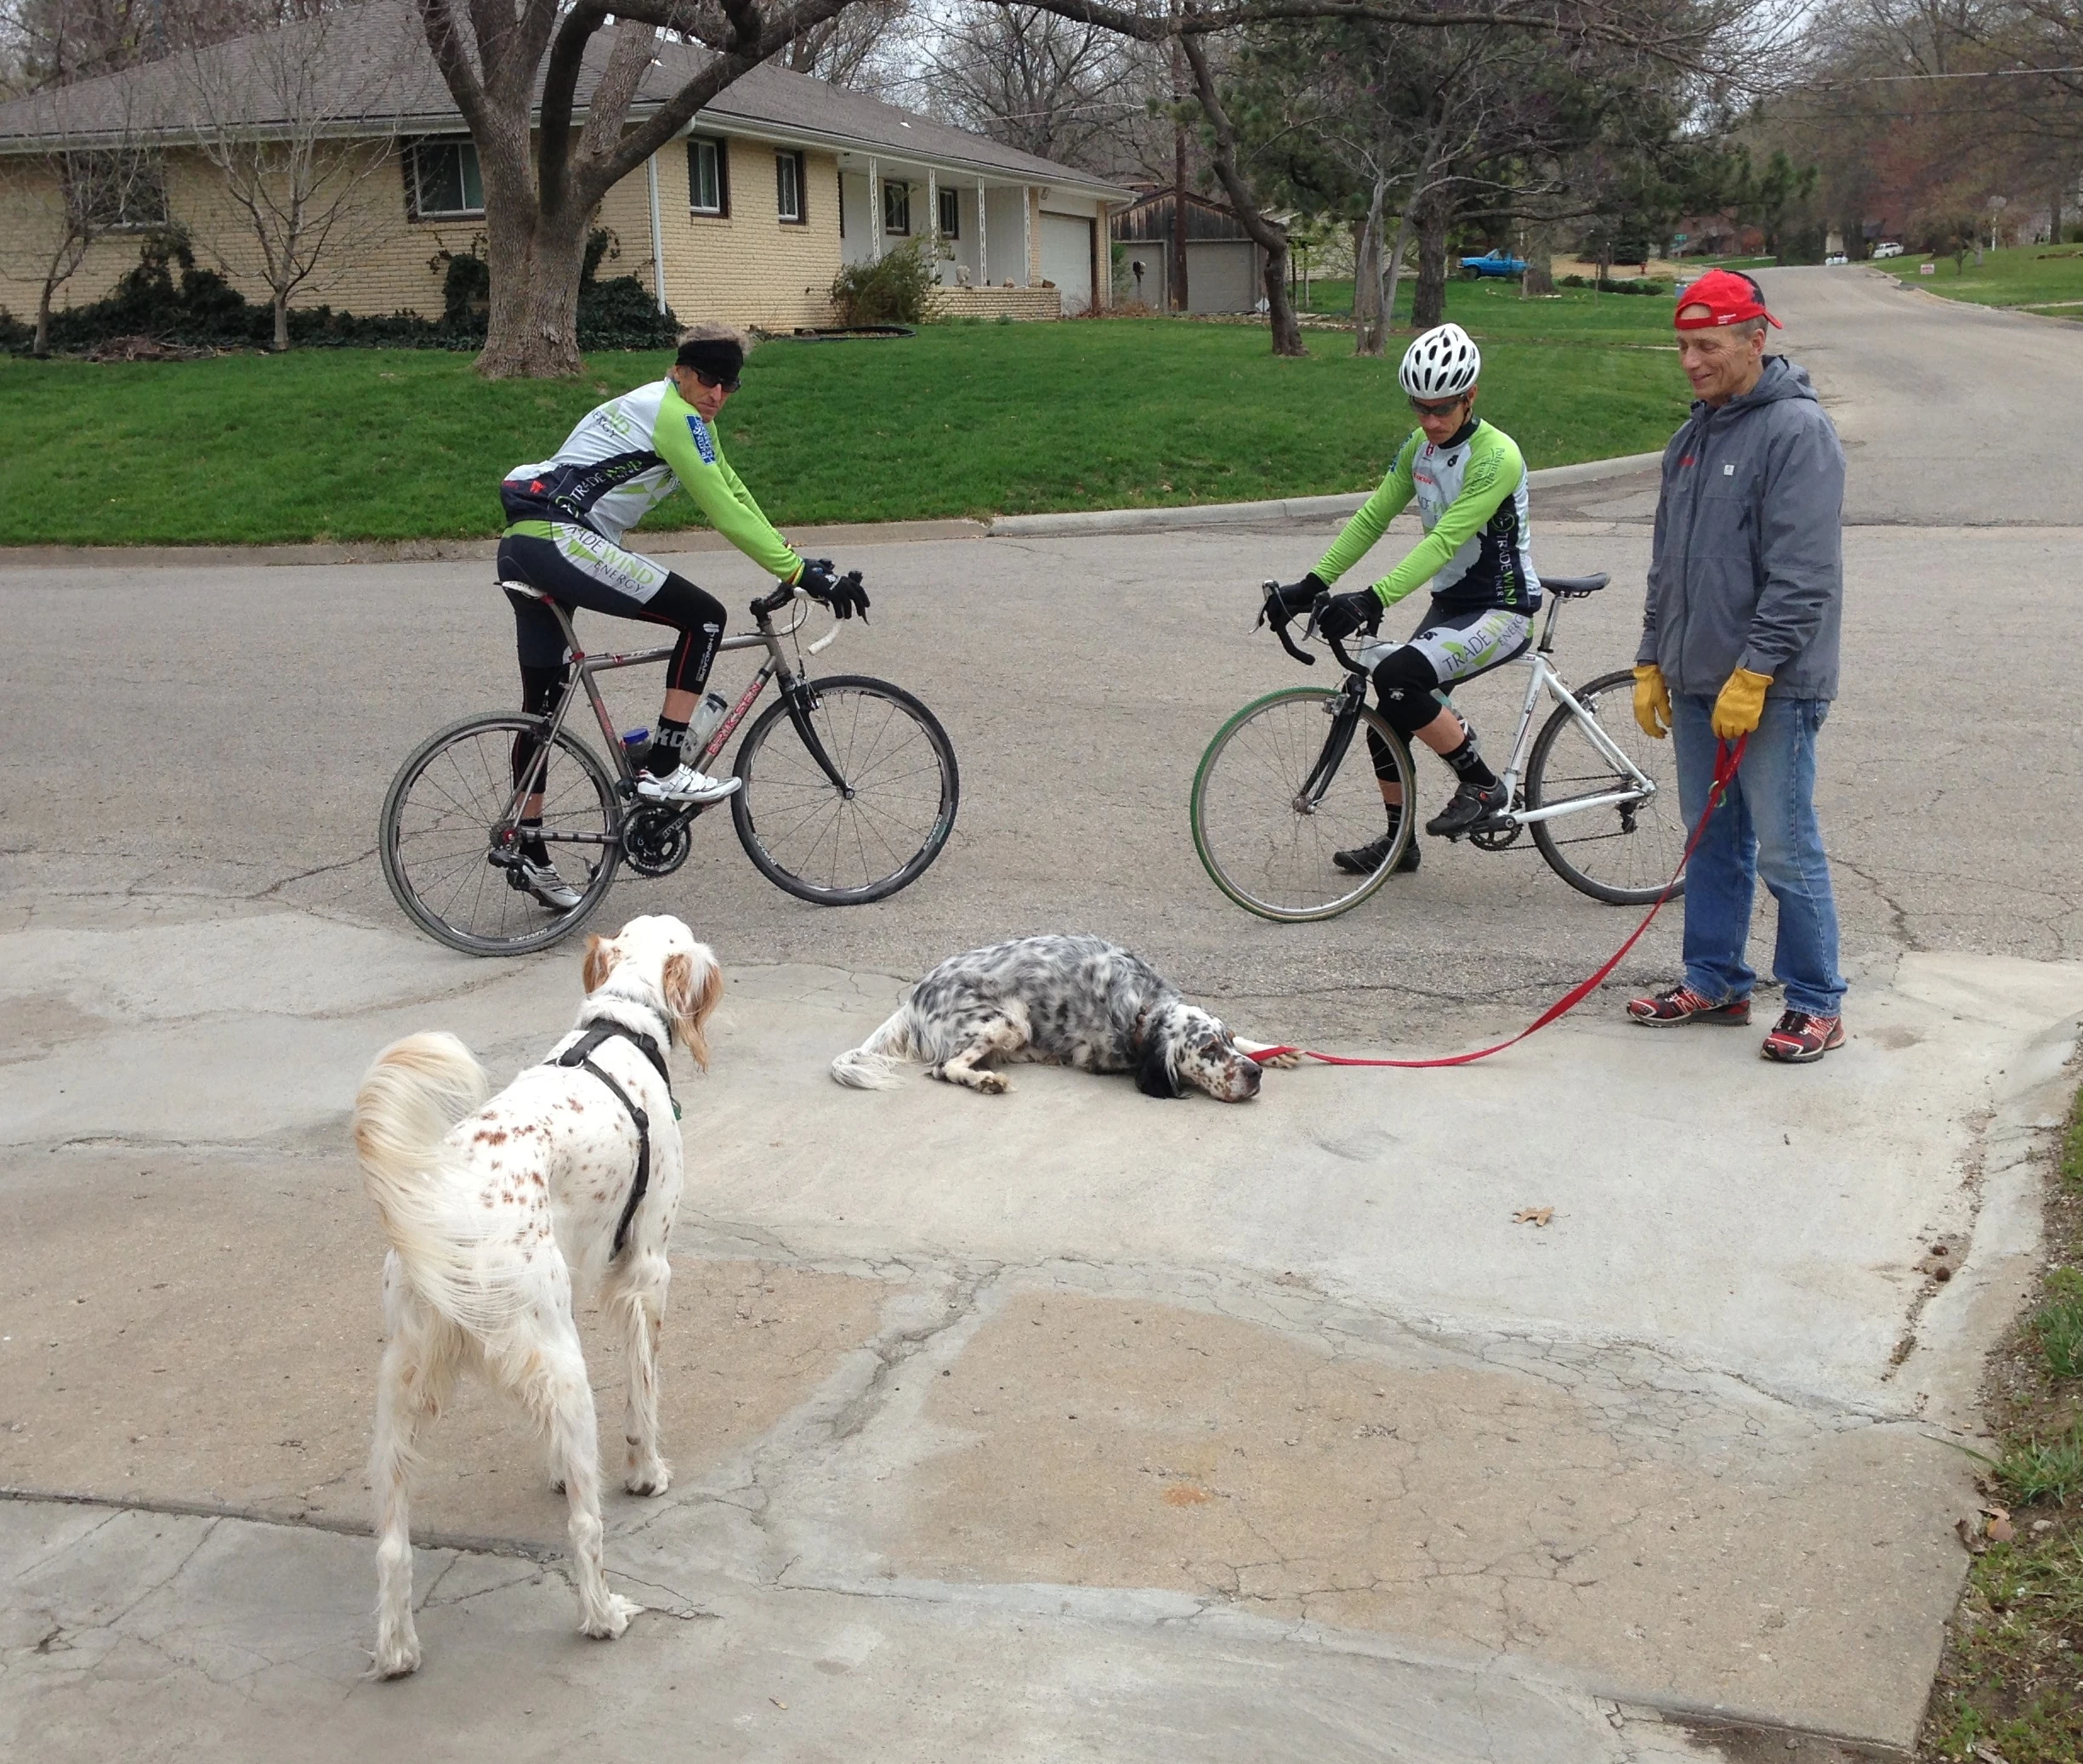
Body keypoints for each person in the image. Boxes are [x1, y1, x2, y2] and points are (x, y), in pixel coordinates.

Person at [495, 324, 865, 909]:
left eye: (730, 386)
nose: (718, 394)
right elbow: (722, 510)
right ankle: (663, 766)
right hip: (561, 541)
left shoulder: (679, 414)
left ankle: (529, 850)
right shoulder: (674, 416)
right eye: (709, 380)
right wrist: (799, 575)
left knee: (540, 707)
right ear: (682, 369)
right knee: (705, 618)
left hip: (526, 542)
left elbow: (735, 489)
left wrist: (796, 560)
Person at [1626, 269, 1847, 1064]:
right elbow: (1666, 565)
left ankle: (1818, 999)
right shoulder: (1692, 437)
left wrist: (1756, 672)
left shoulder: (1797, 433)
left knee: (1786, 845)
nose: (1690, 361)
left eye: (1708, 345)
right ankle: (1715, 978)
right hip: (1694, 679)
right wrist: (1651, 656)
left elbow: (1803, 574)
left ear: (1757, 340)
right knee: (1710, 835)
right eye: (1683, 345)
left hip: (1774, 687)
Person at [1269, 321, 1541, 875]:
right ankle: (1400, 845)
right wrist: (1311, 584)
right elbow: (1374, 515)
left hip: (1500, 608)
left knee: (1399, 678)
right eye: (1420, 408)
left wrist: (1372, 598)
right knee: (1388, 709)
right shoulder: (1419, 446)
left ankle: (1484, 785)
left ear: (1471, 397)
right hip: (1451, 606)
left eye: (1442, 408)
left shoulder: (1497, 456)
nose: (1431, 421)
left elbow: (1445, 540)